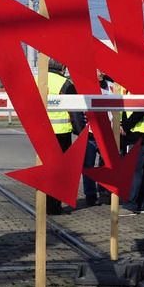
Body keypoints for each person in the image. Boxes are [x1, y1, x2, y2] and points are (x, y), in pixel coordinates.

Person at [41, 59, 85, 215]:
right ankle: (54, 206)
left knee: (46, 169)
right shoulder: (65, 84)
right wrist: (81, 131)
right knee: (59, 172)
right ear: (63, 68)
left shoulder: (38, 79)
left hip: (41, 133)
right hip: (60, 133)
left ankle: (44, 204)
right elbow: (75, 111)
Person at [119, 69, 144, 214]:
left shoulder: (141, 89)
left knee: (135, 170)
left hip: (139, 134)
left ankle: (132, 204)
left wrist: (125, 126)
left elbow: (140, 110)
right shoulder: (142, 89)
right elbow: (125, 108)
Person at [82, 69, 112, 207]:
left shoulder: (111, 87)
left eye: (103, 71)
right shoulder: (83, 87)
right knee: (88, 166)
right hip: (89, 135)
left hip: (107, 133)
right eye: (99, 71)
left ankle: (107, 191)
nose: (102, 74)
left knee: (108, 165)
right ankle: (90, 195)